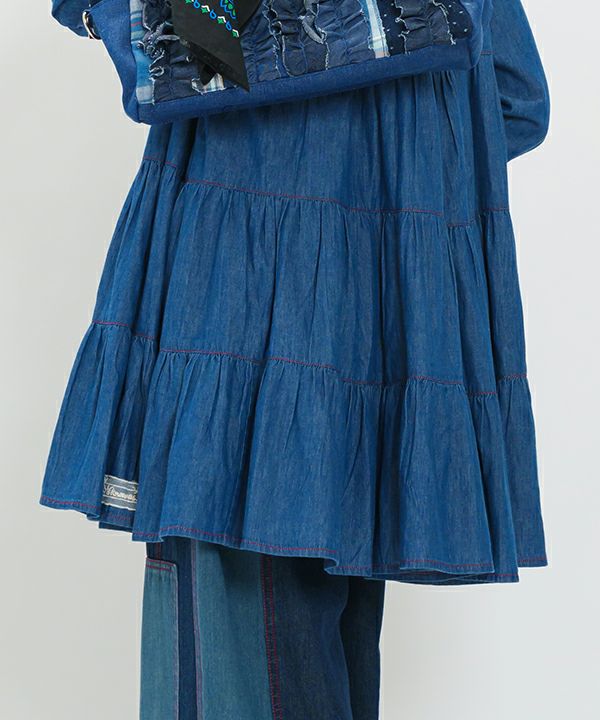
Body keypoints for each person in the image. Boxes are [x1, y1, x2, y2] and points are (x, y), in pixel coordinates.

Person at [41, 1, 549, 716]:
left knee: (237, 659)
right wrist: (382, 178)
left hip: (238, 296)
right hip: (389, 323)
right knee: (310, 669)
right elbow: (515, 101)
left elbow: (163, 45)